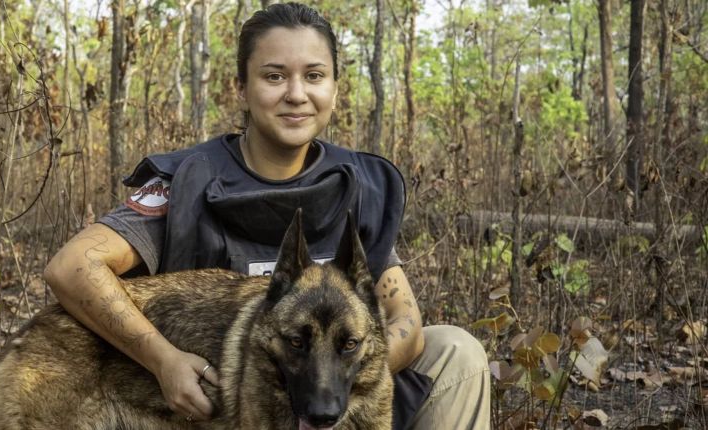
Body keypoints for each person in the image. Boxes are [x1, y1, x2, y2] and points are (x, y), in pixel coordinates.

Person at [43, 2, 490, 429]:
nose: (296, 94)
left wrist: (333, 378)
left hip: (335, 396)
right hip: (209, 404)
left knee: (457, 352)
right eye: (274, 76)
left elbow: (405, 324)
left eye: (314, 75)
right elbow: (72, 267)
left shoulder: (356, 187)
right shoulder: (189, 180)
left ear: (335, 88)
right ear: (241, 87)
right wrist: (164, 360)